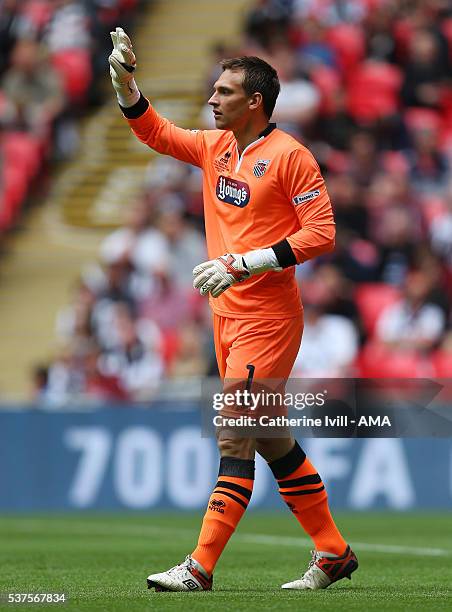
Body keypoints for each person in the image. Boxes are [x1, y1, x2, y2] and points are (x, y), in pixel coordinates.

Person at [108, 27, 358, 592]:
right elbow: (158, 133)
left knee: (233, 435)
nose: (211, 99)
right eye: (213, 90)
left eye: (223, 92)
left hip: (267, 320)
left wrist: (243, 262)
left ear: (255, 103)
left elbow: (322, 234)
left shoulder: (291, 157)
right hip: (226, 317)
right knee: (269, 435)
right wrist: (127, 88)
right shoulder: (216, 148)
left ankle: (198, 568)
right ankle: (333, 552)